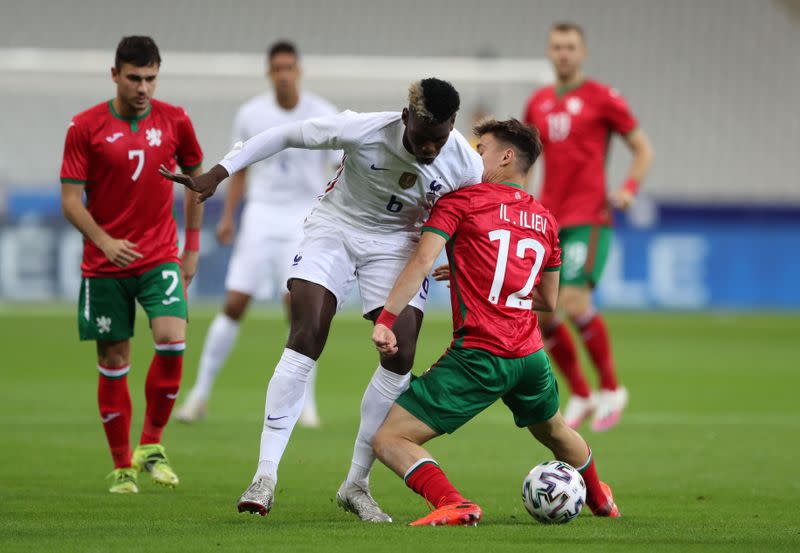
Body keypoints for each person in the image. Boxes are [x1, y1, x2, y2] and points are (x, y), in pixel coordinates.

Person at [160, 78, 483, 521]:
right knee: (307, 331)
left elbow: (471, 216)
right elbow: (287, 135)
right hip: (336, 229)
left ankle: (356, 484)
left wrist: (463, 265)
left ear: (451, 128)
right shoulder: (363, 130)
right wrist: (219, 172)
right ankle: (265, 475)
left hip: (398, 245)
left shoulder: (464, 162)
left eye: (439, 139)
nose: (430, 150)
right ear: (406, 118)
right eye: (423, 139)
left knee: (401, 354)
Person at [370, 118, 619, 526]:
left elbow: (421, 260)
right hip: (531, 357)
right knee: (554, 431)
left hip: (481, 356)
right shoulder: (545, 219)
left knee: (390, 438)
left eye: (480, 148)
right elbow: (547, 300)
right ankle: (600, 498)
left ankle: (453, 502)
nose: (472, 155)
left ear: (506, 156)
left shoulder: (462, 201)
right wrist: (475, 273)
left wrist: (387, 318)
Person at [60, 36, 204, 493]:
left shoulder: (176, 120)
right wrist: (104, 241)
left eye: (151, 78)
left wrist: (192, 246)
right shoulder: (85, 127)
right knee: (114, 358)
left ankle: (151, 446)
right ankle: (122, 465)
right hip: (103, 265)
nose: (143, 88)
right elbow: (69, 199)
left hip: (159, 253)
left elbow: (197, 181)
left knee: (172, 340)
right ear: (115, 75)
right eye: (135, 78)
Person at [175, 40, 338, 427]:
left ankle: (305, 404)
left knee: (300, 310)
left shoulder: (323, 113)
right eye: (276, 68)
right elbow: (241, 167)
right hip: (261, 216)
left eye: (289, 68)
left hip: (303, 219)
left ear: (298, 71)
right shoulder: (251, 113)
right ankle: (199, 394)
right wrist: (230, 216)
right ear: (269, 73)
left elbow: (337, 168)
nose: (283, 75)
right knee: (234, 303)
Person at [523, 21, 654, 431]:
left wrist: (630, 187)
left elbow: (642, 149)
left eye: (570, 47)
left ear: (583, 53)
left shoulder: (603, 99)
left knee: (574, 302)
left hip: (590, 217)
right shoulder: (538, 103)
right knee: (542, 315)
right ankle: (581, 393)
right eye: (557, 46)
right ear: (549, 51)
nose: (563, 53)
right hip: (549, 218)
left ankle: (612, 388)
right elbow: (526, 163)